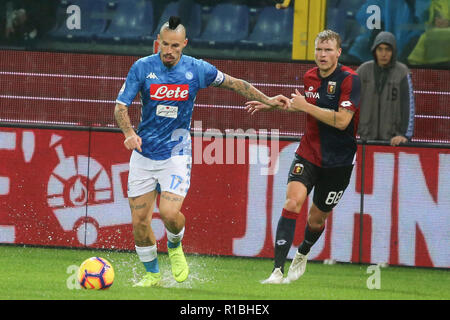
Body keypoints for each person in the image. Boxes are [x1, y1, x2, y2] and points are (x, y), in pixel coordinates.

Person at [114, 16, 289, 287]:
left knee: (169, 214)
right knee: (139, 222)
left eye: (175, 45)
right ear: (156, 43)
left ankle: (174, 245)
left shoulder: (196, 69)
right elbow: (120, 106)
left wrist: (266, 99)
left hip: (176, 152)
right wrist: (129, 134)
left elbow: (234, 83)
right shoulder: (141, 68)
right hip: (143, 153)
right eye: (164, 45)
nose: (169, 51)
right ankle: (152, 275)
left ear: (184, 44)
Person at [246, 30, 361, 284]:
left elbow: (342, 121)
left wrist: (305, 106)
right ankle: (277, 271)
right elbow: (305, 107)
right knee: (292, 203)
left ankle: (303, 252)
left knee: (317, 218)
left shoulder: (350, 80)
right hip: (308, 152)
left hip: (339, 162)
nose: (322, 55)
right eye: (319, 49)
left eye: (328, 50)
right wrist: (272, 104)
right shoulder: (310, 77)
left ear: (338, 52)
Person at [357, 31, 415, 146]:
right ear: (375, 51)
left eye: (388, 49)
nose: (384, 54)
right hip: (366, 139)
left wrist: (404, 135)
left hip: (394, 141)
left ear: (393, 51)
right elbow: (348, 103)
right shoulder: (363, 71)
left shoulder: (402, 72)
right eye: (380, 49)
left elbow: (408, 105)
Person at [408, 0, 449, 65]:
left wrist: (448, 22)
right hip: (430, 31)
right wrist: (436, 22)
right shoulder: (432, 3)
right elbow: (428, 19)